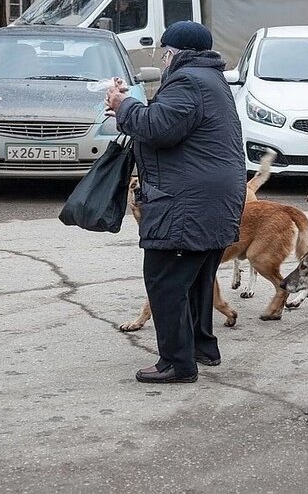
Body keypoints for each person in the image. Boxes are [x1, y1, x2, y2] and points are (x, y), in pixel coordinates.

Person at [104, 21, 246, 384]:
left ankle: (177, 364)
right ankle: (202, 347)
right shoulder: (209, 79)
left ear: (173, 53)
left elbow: (160, 128)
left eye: (163, 52)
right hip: (212, 197)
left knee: (165, 280)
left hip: (188, 202)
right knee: (197, 279)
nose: (162, 59)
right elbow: (170, 123)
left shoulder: (187, 81)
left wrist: (124, 106)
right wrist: (127, 111)